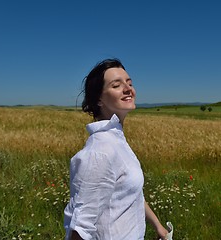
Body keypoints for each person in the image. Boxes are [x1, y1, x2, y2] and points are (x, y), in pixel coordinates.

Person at [64, 58, 169, 240]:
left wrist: (158, 227)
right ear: (98, 100)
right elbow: (80, 228)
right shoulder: (100, 151)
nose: (128, 89)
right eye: (116, 85)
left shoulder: (117, 141)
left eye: (129, 83)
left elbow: (130, 192)